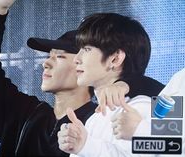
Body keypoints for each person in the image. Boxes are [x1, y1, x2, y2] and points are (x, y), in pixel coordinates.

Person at [0, 0, 164, 156]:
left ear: (114, 58)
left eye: (59, 56)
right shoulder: (30, 117)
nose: (46, 63)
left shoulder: (127, 111)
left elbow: (173, 133)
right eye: (48, 56)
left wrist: (129, 87)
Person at [58, 13, 157, 157]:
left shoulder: (143, 108)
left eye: (86, 49)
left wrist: (85, 145)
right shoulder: (94, 120)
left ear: (115, 59)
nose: (76, 59)